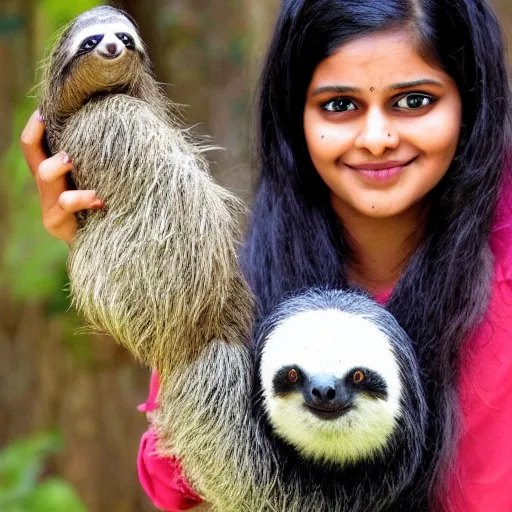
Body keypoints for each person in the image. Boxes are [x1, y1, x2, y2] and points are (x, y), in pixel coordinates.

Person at [20, 0, 512, 510]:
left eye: (413, 101)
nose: (377, 139)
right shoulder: (245, 274)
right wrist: (115, 238)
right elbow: (169, 480)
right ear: (295, 115)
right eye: (339, 105)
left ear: (470, 102)